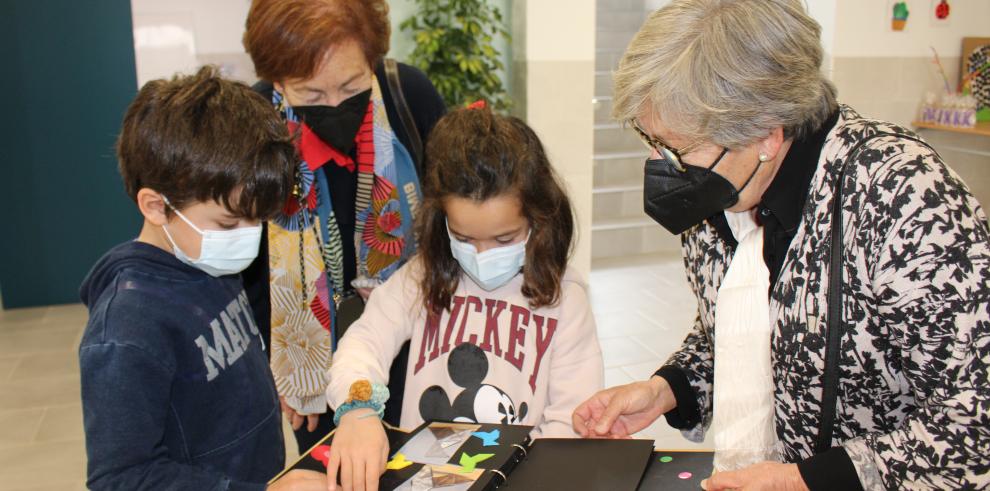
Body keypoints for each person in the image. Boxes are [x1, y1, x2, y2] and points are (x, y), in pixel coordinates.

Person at [572, 0, 990, 489]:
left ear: (767, 134)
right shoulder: (720, 191)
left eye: (677, 148)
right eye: (650, 138)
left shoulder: (902, 195)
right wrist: (667, 389)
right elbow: (735, 331)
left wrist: (807, 481)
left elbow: (976, 420)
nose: (661, 163)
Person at [323, 106, 604, 491]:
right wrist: (358, 408)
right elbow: (364, 340)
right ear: (441, 222)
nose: (483, 254)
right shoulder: (420, 276)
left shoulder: (566, 301)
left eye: (504, 239)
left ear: (538, 219)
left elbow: (570, 420)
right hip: (422, 479)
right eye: (465, 238)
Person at [78, 67, 325, 490]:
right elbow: (121, 478)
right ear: (156, 206)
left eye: (257, 221)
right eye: (229, 223)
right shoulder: (126, 330)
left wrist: (272, 386)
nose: (247, 238)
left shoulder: (206, 258)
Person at [240, 0, 447, 454]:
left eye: (352, 85)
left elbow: (452, 213)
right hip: (306, 359)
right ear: (278, 80)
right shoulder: (250, 123)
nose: (335, 106)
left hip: (415, 341)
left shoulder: (407, 96)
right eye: (311, 94)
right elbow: (245, 267)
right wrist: (276, 369)